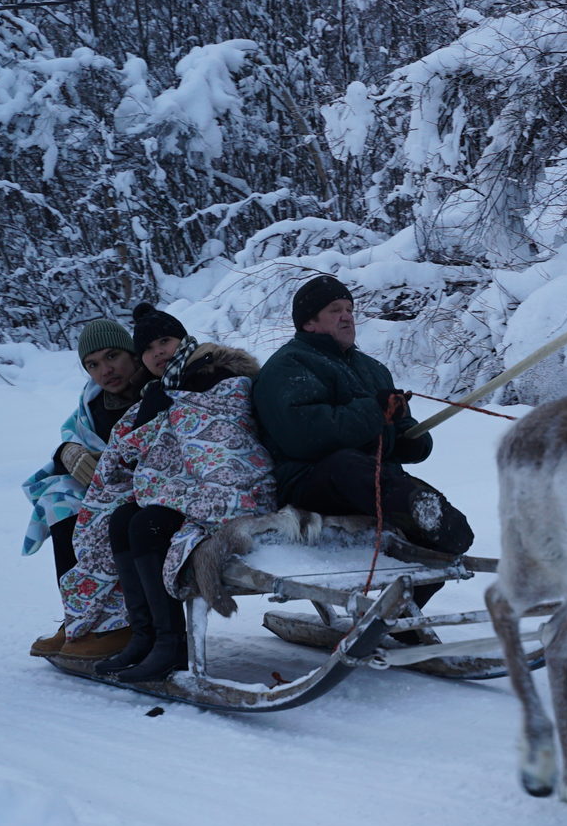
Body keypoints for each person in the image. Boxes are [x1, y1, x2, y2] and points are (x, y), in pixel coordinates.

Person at [62, 318, 279, 680]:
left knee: (148, 525)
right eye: (148, 348)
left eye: (165, 341)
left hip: (236, 492)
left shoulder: (215, 371)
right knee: (120, 520)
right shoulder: (160, 388)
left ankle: (171, 645)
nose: (158, 351)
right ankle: (145, 636)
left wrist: (175, 405)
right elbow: (140, 445)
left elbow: (226, 434)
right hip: (186, 489)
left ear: (184, 340)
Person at [253, 275, 473, 601]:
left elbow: (393, 435)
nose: (346, 316)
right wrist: (374, 410)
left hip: (369, 481)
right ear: (309, 323)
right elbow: (304, 436)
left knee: (431, 539)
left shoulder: (373, 369)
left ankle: (394, 614)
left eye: (349, 309)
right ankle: (422, 511)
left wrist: (411, 439)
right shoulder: (287, 366)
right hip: (307, 482)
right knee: (347, 466)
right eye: (334, 310)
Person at [25, 318, 152, 657]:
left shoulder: (153, 391)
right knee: (59, 498)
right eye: (92, 364)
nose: (104, 370)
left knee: (103, 517)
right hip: (107, 493)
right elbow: (72, 438)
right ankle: (78, 616)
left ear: (133, 355)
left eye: (113, 356)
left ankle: (119, 624)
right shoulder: (92, 402)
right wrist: (67, 452)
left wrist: (113, 464)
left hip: (151, 494)